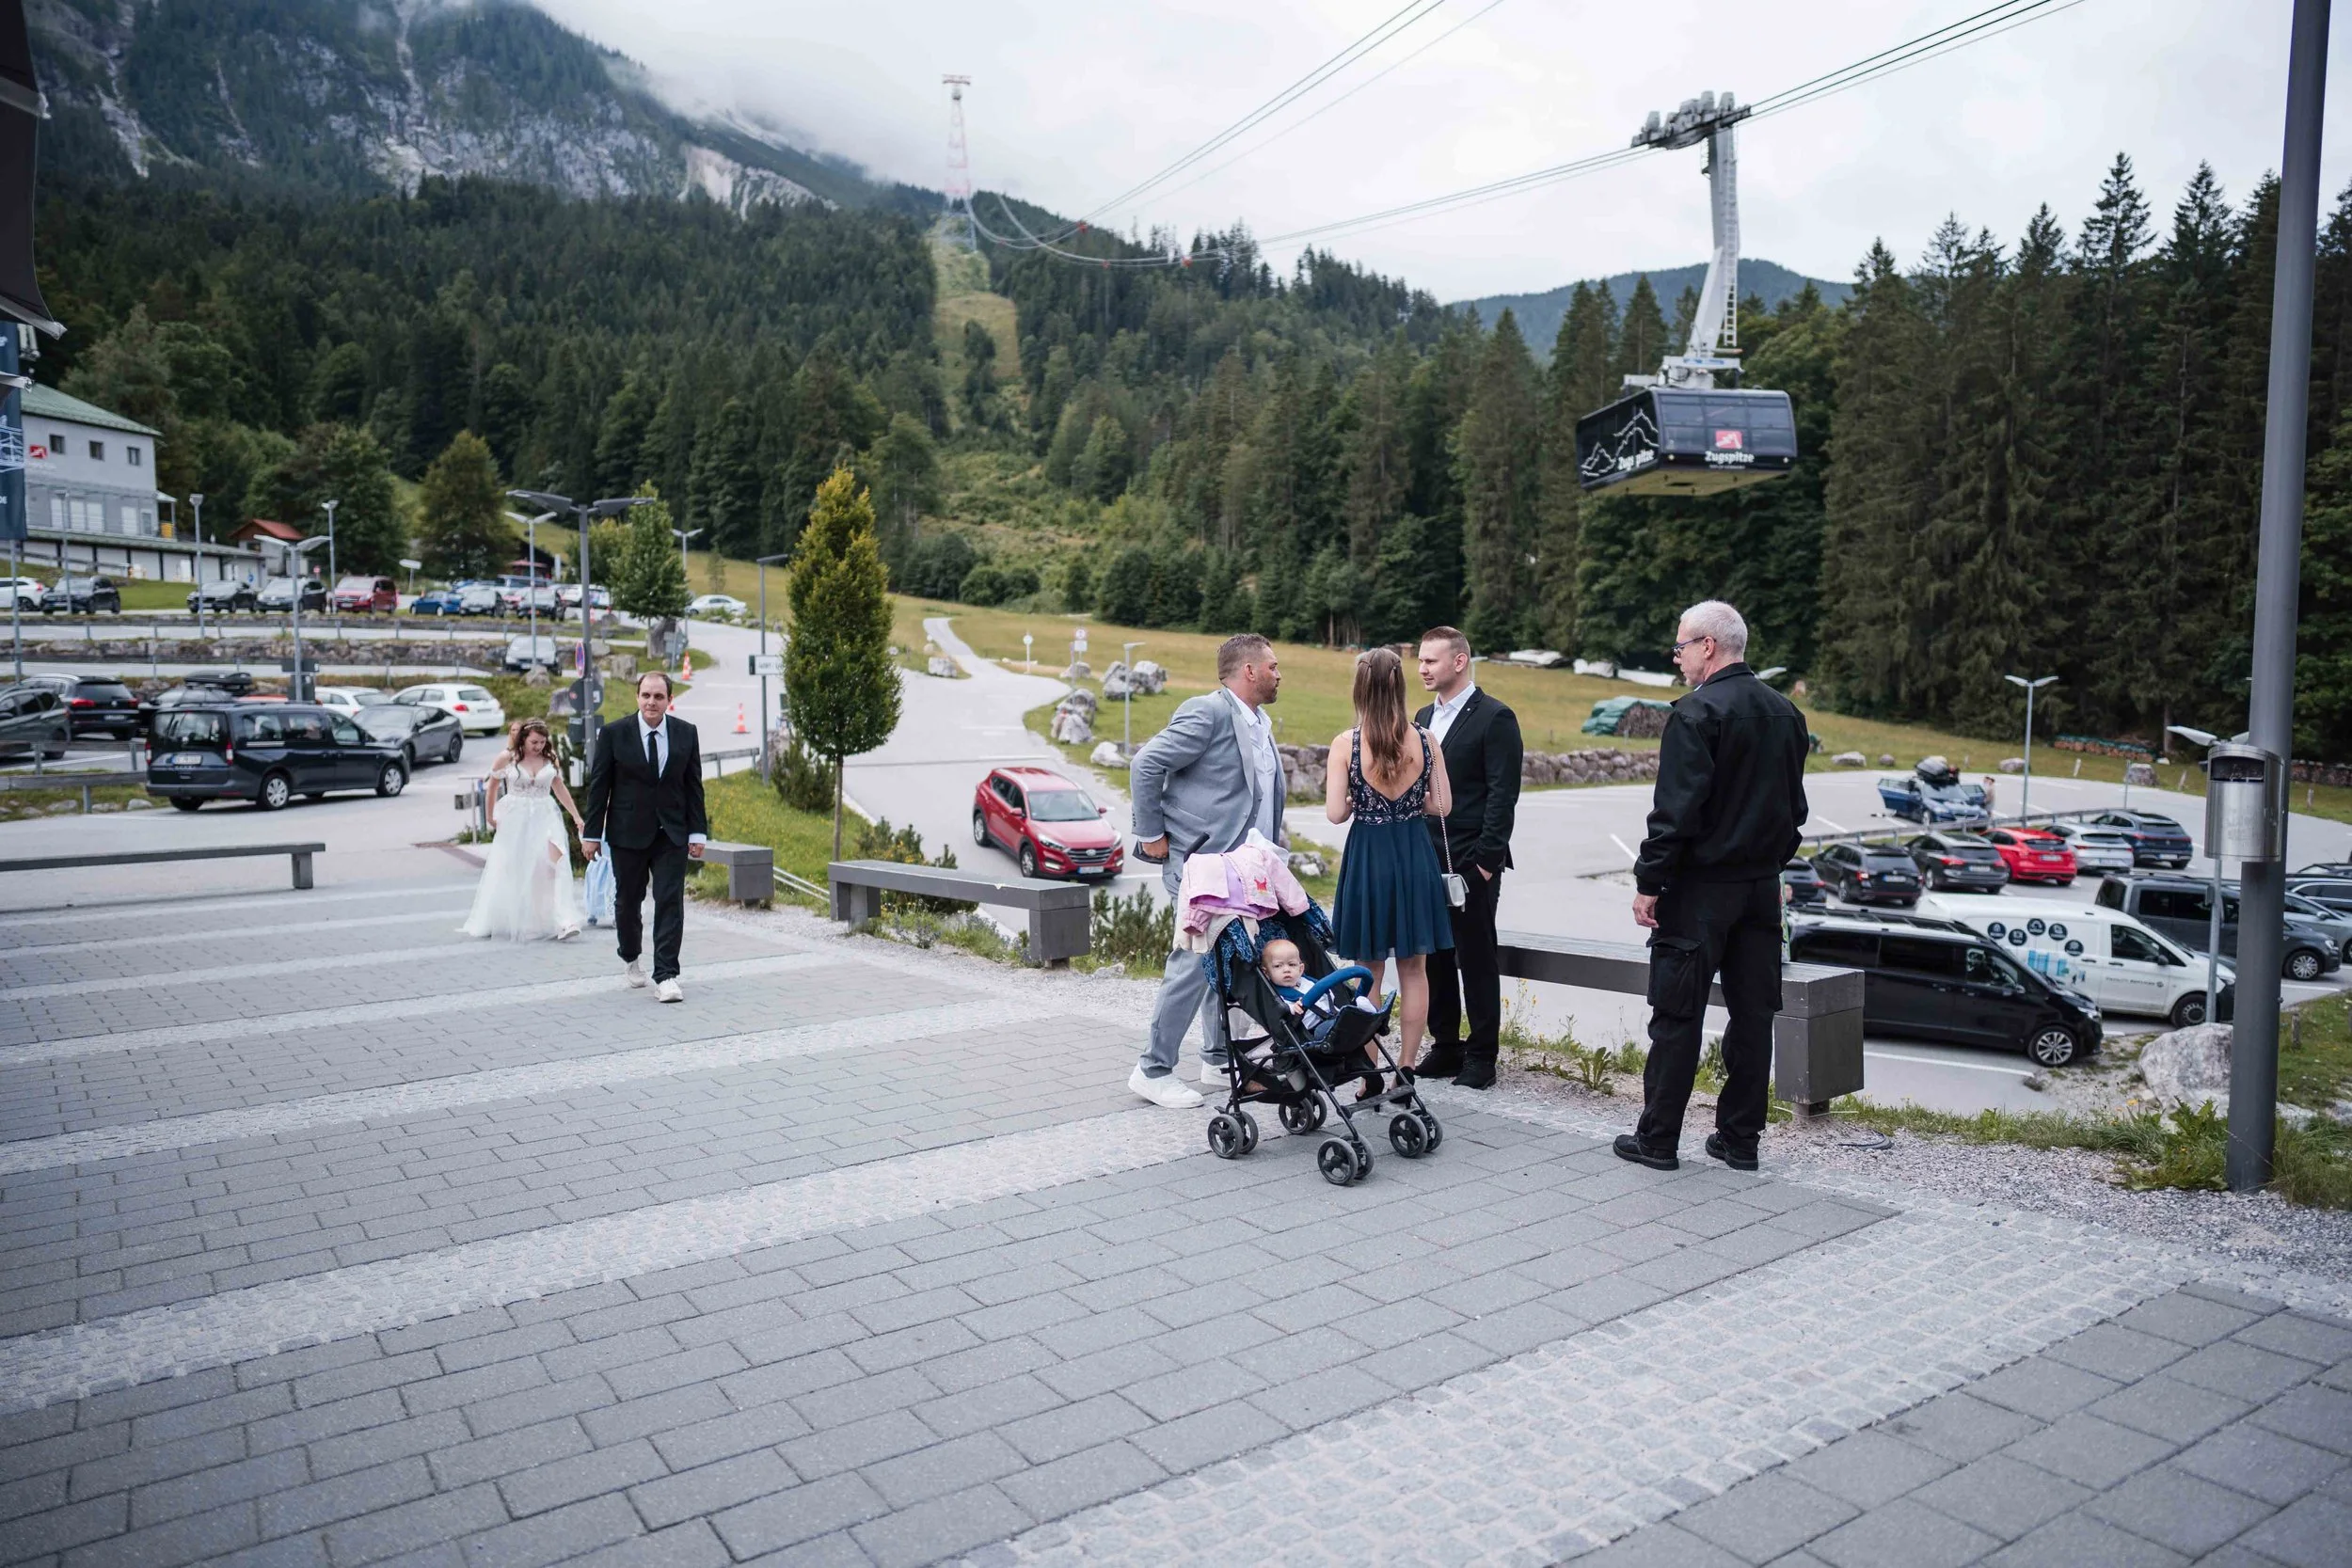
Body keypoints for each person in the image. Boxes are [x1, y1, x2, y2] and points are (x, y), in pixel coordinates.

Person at [1616, 601, 1809, 1174]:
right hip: (1760, 890)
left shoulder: (1696, 714)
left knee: (1677, 1014)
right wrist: (1772, 866)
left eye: (1679, 647)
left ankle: (1657, 1140)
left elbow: (1675, 812)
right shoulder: (1787, 715)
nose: (1676, 659)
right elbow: (1795, 811)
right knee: (1753, 1016)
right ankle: (1739, 1140)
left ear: (1708, 646)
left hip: (1701, 890)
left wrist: (1649, 882)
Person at [1129, 633, 1287, 1108]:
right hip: (1202, 862)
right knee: (1194, 964)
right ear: (1250, 671)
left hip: (1244, 868)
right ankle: (1151, 1070)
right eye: (1274, 666)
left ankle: (1217, 1058)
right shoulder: (1209, 711)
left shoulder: (1259, 721)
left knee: (1232, 960)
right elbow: (1146, 762)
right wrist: (1151, 833)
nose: (1280, 674)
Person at [1327, 646, 1454, 1076]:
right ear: (1400, 686)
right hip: (1415, 854)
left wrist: (1353, 800)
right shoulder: (1427, 739)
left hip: (1369, 857)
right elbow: (1443, 806)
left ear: (1359, 688)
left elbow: (1335, 814)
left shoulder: (1347, 743)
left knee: (1368, 971)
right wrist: (1410, 804)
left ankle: (1369, 1072)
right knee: (1415, 969)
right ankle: (1407, 1066)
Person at [1412, 626, 1523, 1089]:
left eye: (1431, 661)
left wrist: (1484, 862)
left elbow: (1503, 795)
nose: (1421, 669)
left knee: (1475, 956)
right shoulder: (1421, 716)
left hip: (1472, 860)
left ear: (1459, 662)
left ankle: (1482, 1054)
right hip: (1425, 855)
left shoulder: (1495, 717)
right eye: (1419, 661)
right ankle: (1446, 1045)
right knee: (1435, 955)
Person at [581, 671, 708, 1003]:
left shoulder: (686, 734)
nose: (652, 702)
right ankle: (630, 953)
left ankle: (666, 974)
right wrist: (592, 834)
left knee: (670, 901)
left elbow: (694, 786)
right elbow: (600, 788)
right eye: (646, 696)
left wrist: (698, 832)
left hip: (672, 833)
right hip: (627, 834)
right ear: (637, 697)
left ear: (669, 700)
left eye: (659, 696)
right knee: (627, 903)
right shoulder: (613, 734)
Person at [461, 717, 588, 942]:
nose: (538, 747)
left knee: (554, 866)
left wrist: (576, 816)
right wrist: (490, 816)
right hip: (516, 818)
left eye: (542, 742)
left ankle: (563, 920)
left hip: (545, 815)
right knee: (516, 869)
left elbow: (559, 788)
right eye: (534, 742)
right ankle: (510, 918)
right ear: (523, 739)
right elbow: (492, 787)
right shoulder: (507, 759)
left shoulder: (550, 759)